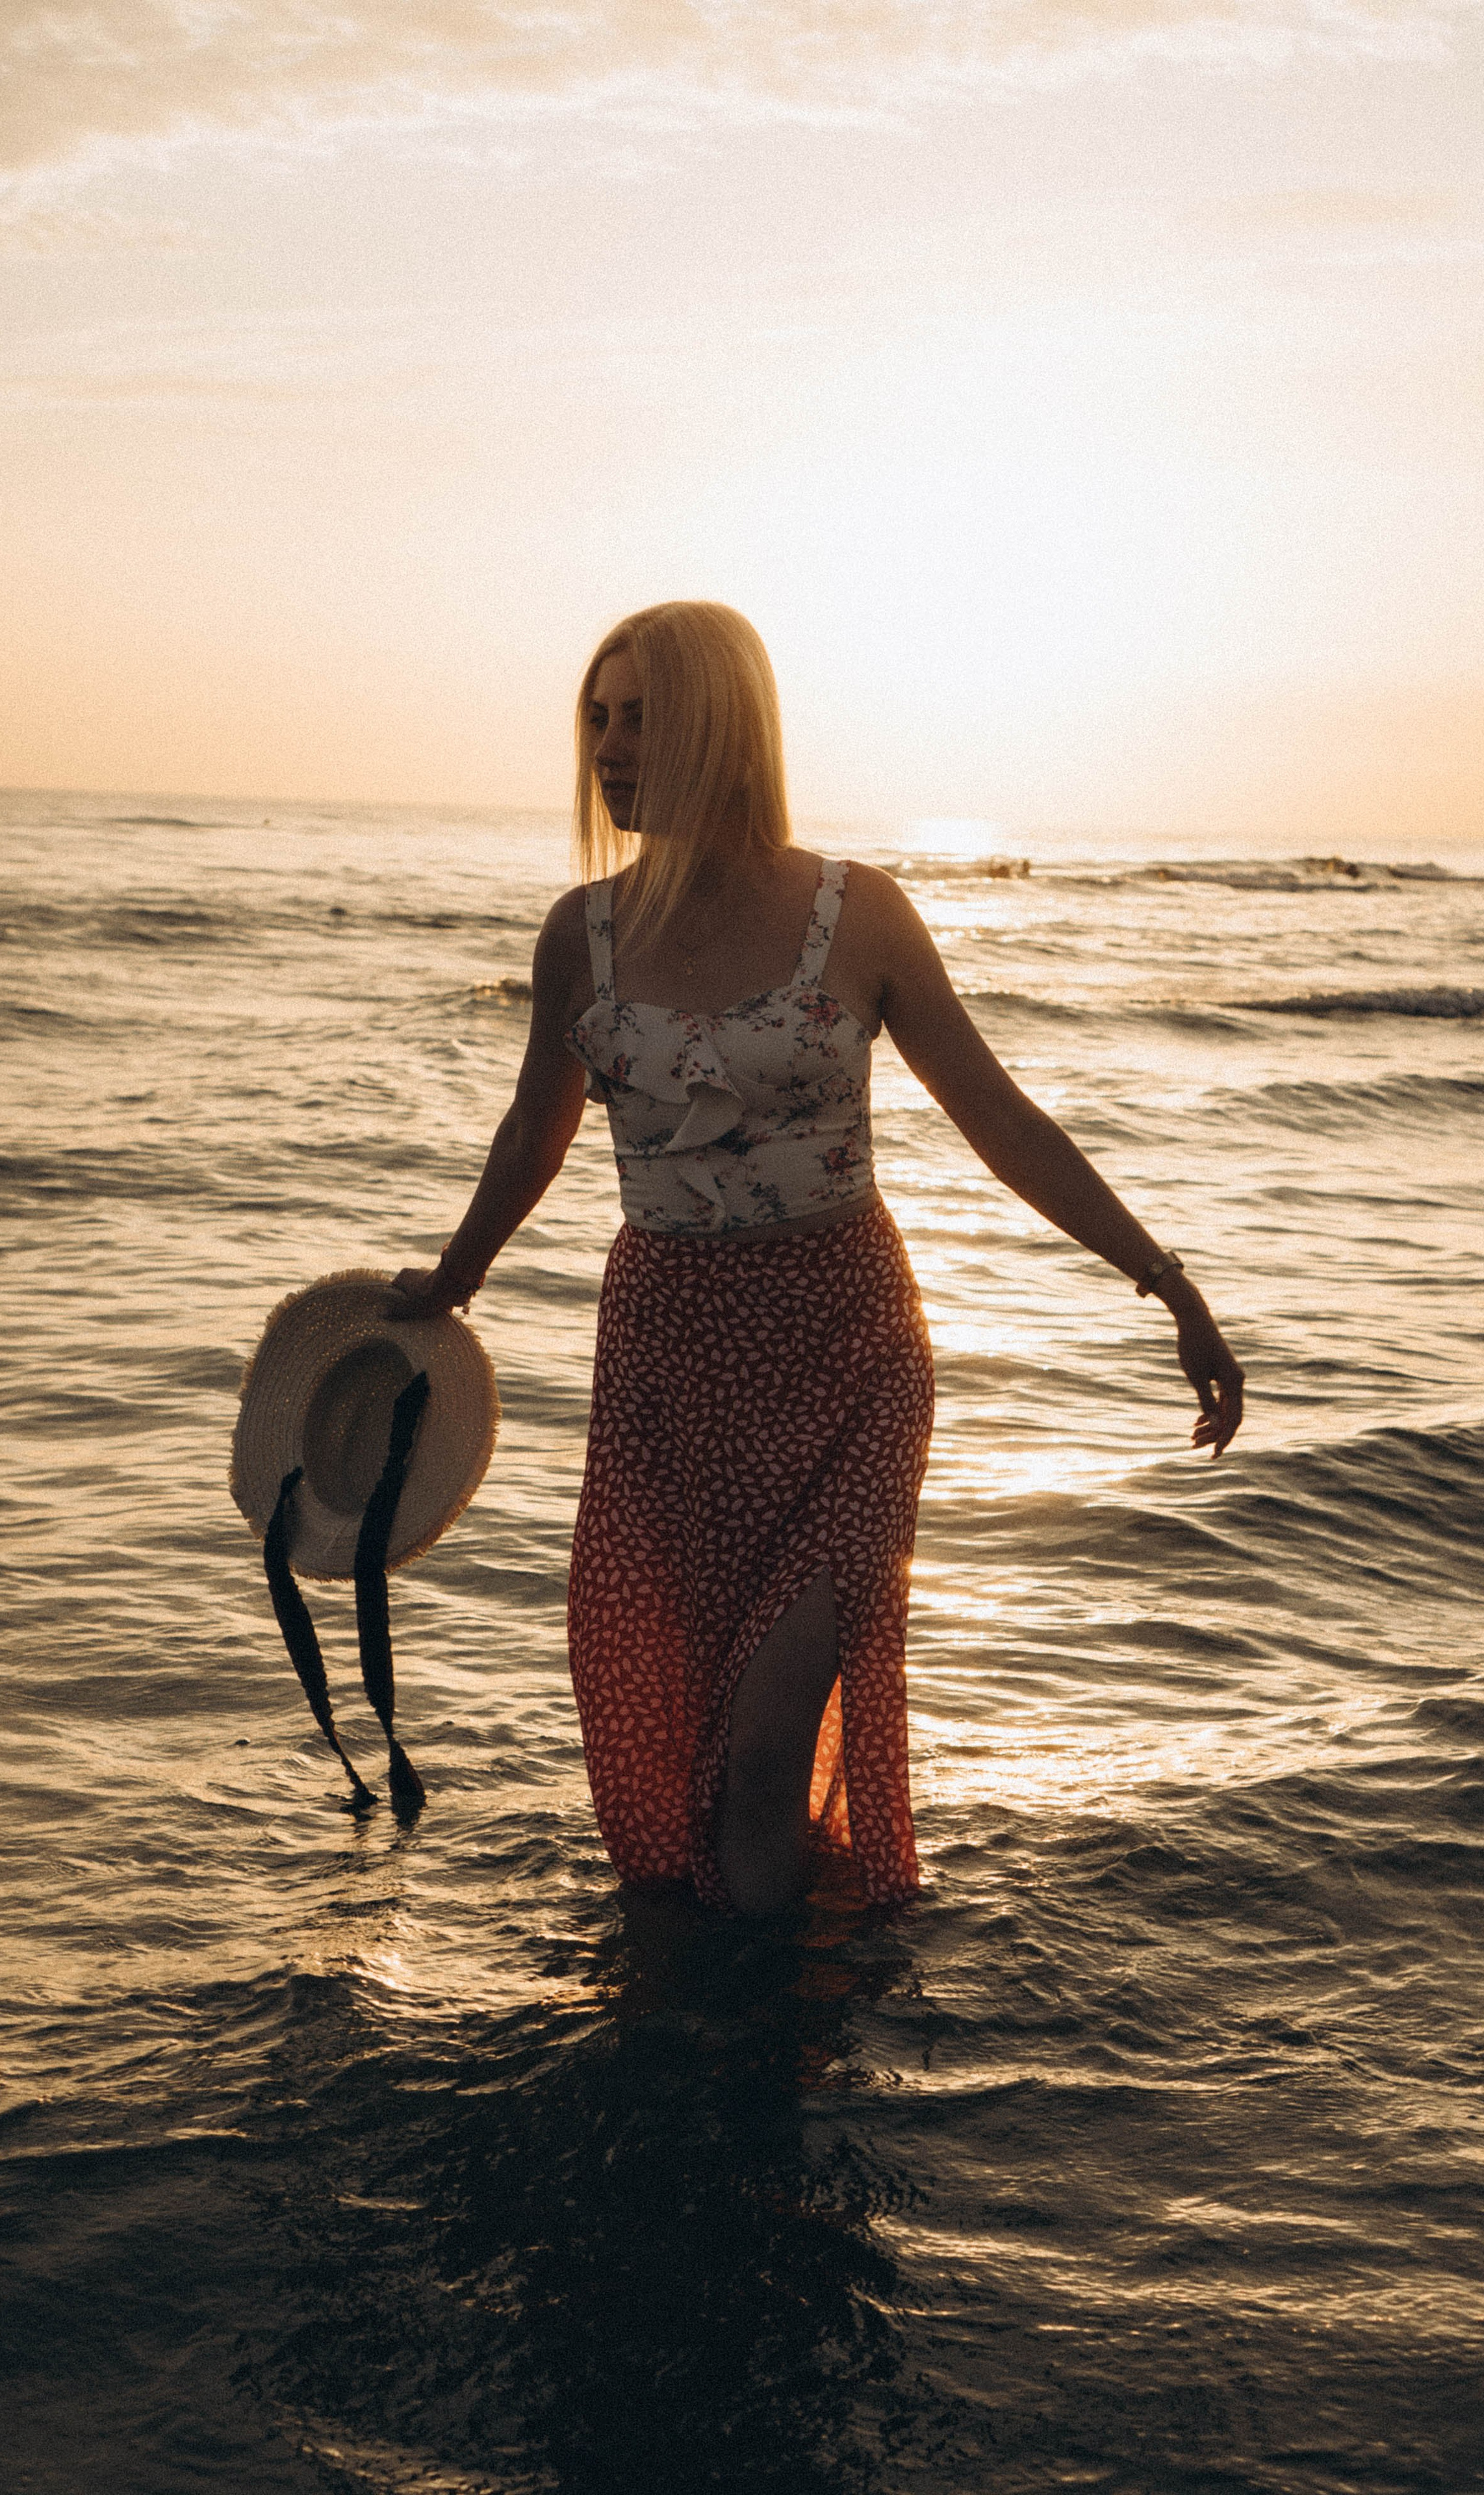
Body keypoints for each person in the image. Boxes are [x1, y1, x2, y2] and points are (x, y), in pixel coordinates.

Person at [391, 601, 1244, 1915]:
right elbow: (531, 1133)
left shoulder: (859, 916)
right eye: (596, 719)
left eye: (640, 718)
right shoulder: (582, 933)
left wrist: (1163, 1280)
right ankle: (745, 2030)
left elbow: (1000, 1116)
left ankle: (756, 2067)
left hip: (846, 1355)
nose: (609, 748)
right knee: (671, 1719)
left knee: (767, 1747)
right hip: (667, 1371)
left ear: (720, 729)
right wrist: (451, 1281)